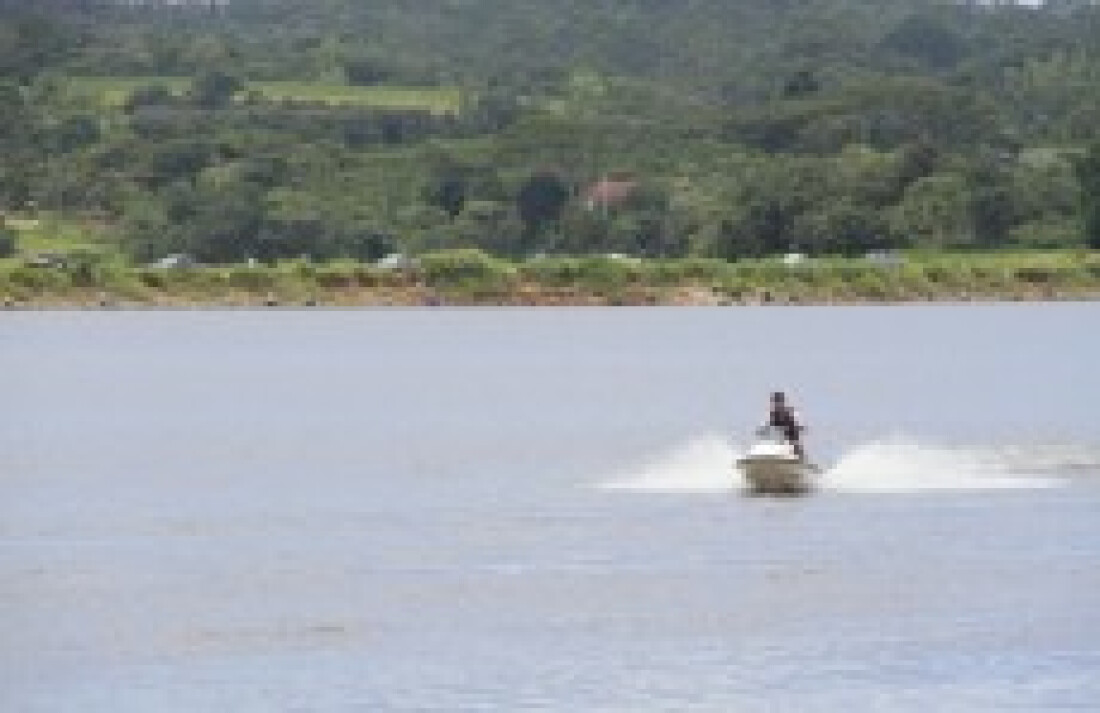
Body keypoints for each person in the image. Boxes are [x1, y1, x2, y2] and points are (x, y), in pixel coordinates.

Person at [767, 391, 805, 460]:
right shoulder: (775, 412)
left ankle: (798, 456)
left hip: (789, 434)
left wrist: (796, 429)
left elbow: (791, 424)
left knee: (795, 448)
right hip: (782, 435)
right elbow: (774, 425)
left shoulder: (783, 412)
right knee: (794, 448)